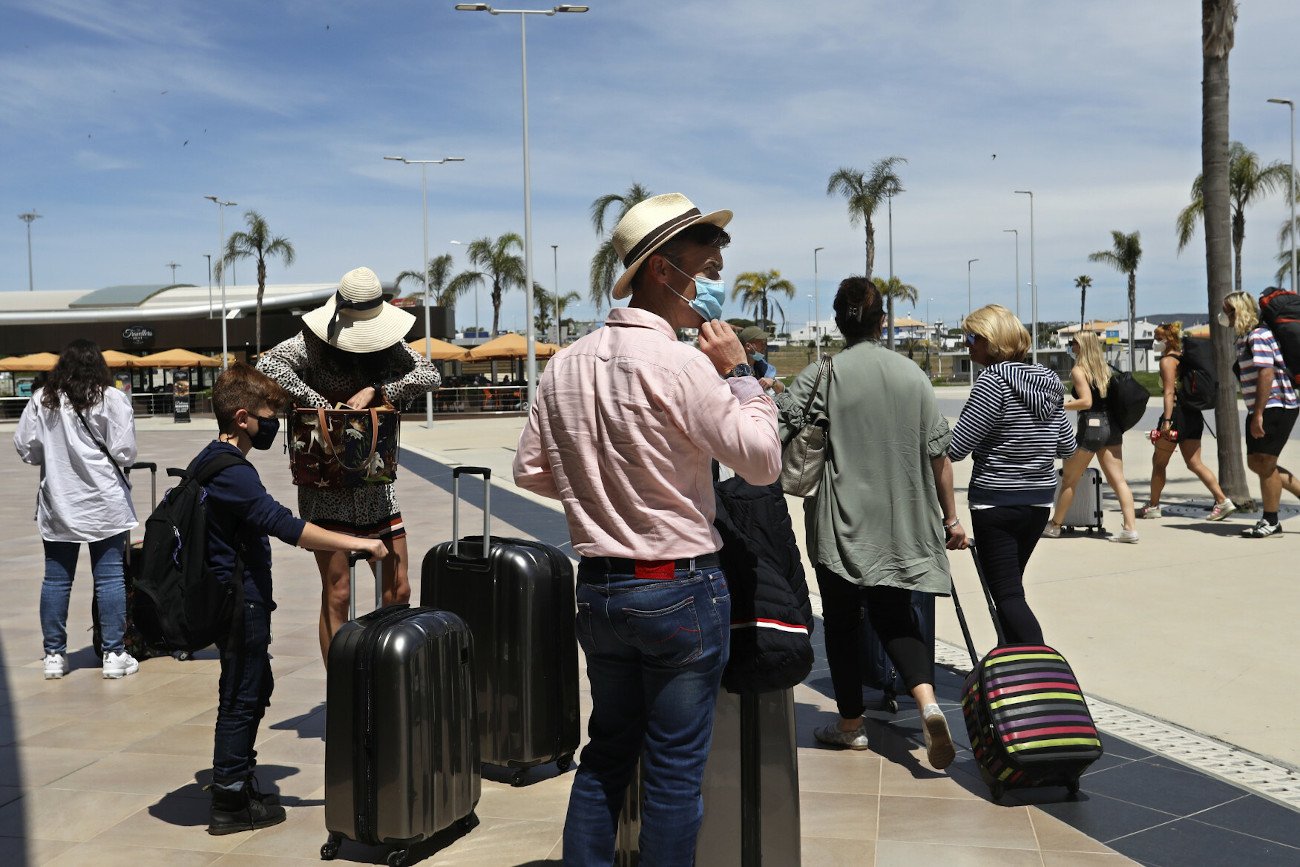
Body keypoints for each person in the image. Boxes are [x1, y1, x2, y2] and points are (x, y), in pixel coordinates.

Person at [513, 192, 781, 865]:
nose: (719, 265)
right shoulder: (685, 363)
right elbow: (762, 461)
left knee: (605, 754)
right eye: (705, 256)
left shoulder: (567, 363)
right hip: (677, 588)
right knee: (672, 774)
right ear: (663, 270)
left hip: (601, 588)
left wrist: (599, 493)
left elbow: (529, 470)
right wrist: (742, 374)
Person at [778, 277, 965, 768]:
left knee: (840, 624)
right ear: (882, 321)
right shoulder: (913, 377)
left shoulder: (824, 374)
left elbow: (776, 425)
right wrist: (950, 517)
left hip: (840, 524)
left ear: (839, 322)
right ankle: (926, 704)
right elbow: (939, 456)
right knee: (895, 615)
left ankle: (850, 725)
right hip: (903, 520)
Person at [199, 362, 387, 835]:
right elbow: (287, 527)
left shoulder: (212, 459)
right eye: (266, 414)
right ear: (242, 418)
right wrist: (358, 543)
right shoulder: (233, 473)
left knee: (251, 687)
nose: (272, 424)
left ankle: (238, 778)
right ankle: (229, 801)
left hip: (234, 594)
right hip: (238, 598)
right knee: (242, 695)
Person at [257, 267, 439, 662]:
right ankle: (342, 691)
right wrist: (323, 407)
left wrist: (378, 389)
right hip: (326, 486)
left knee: (398, 589)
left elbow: (430, 373)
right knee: (338, 591)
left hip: (376, 483)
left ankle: (386, 676)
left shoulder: (388, 346)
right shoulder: (313, 341)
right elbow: (268, 366)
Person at [14, 339, 140, 680]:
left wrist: (55, 455)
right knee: (109, 577)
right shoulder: (112, 398)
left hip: (60, 503)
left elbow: (26, 448)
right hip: (105, 504)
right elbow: (126, 452)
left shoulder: (43, 399)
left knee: (56, 580)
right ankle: (114, 653)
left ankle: (54, 655)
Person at [949, 305, 1074, 645]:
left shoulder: (992, 382)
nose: (967, 345)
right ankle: (1015, 664)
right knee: (1011, 589)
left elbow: (958, 447)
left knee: (1006, 595)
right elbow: (1066, 444)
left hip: (997, 503)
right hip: (1036, 504)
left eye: (972, 338)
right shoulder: (1049, 383)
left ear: (992, 342)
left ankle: (1042, 671)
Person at [1042, 332, 1140, 542]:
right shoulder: (1104, 368)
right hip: (1112, 427)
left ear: (1083, 346)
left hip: (1091, 428)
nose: (1071, 346)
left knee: (1069, 479)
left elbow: (1086, 402)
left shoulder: (1079, 370)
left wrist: (1060, 405)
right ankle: (1130, 529)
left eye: (1074, 343)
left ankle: (1055, 525)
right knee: (1119, 481)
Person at [1136, 322, 1236, 520]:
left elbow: (1169, 392)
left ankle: (1154, 506)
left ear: (1167, 340)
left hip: (1176, 415)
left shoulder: (1167, 362)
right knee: (1195, 463)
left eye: (1157, 339)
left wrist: (1166, 421)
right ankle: (1223, 501)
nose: (1155, 342)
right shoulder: (1185, 359)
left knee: (1159, 463)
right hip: (1193, 414)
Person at [1222, 291, 1300, 537]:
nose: (1224, 316)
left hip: (1277, 405)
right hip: (1263, 407)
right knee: (1257, 462)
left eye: (1228, 311)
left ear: (1239, 311)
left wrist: (1258, 414)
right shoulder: (1245, 338)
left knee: (1265, 462)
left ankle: (1271, 521)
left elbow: (1266, 373)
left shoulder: (1259, 336)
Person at [737, 324, 785, 394]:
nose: (764, 346)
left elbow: (783, 390)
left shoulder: (763, 367)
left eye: (765, 342)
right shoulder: (736, 371)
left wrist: (773, 383)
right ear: (748, 346)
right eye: (761, 343)